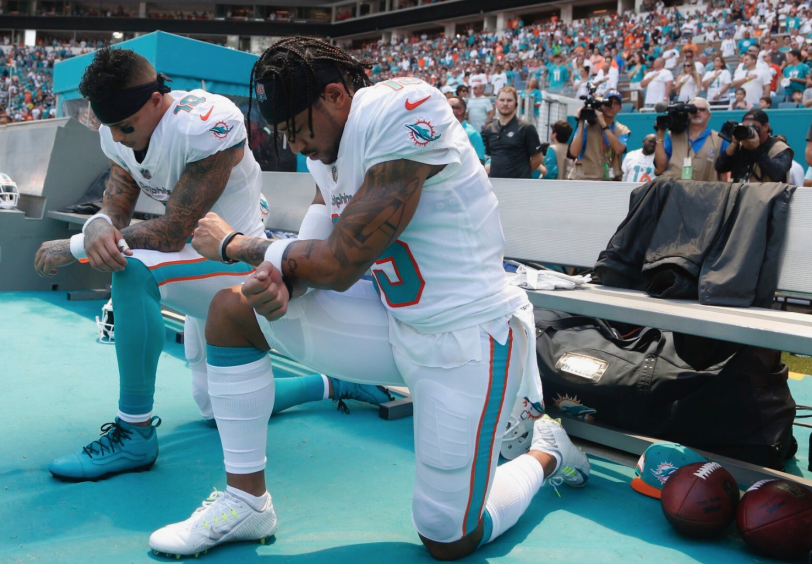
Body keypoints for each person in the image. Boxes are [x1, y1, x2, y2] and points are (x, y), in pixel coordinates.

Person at [150, 35, 590, 561]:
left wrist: (238, 244)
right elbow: (311, 262)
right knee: (232, 309)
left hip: (468, 337)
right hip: (390, 322)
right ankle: (247, 502)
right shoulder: (328, 150)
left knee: (447, 538)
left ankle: (546, 452)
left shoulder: (402, 109)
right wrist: (280, 283)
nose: (294, 146)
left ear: (335, 96)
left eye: (296, 129)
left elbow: (339, 262)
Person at [32, 47, 389, 481]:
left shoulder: (206, 123)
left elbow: (173, 232)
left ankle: (135, 432)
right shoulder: (118, 132)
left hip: (232, 256)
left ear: (156, 101)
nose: (120, 137)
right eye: (112, 128)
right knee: (213, 406)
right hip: (190, 264)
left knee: (134, 268)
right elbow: (120, 194)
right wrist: (100, 223)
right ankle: (334, 383)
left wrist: (76, 246)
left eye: (126, 126)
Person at [653, 97, 726, 181]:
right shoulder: (673, 136)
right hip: (676, 190)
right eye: (693, 109)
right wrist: (660, 135)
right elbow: (661, 167)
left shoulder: (719, 139)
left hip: (706, 191)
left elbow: (724, 172)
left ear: (709, 115)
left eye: (702, 109)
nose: (697, 112)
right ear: (687, 113)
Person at [567, 90, 631, 181]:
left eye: (616, 103)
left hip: (609, 180)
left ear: (620, 108)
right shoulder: (587, 126)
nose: (611, 106)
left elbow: (619, 150)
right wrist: (581, 122)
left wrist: (603, 125)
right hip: (584, 179)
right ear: (602, 105)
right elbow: (574, 152)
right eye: (609, 102)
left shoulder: (622, 129)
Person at [715, 109, 792, 183]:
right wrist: (733, 144)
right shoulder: (742, 146)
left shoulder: (779, 148)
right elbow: (720, 167)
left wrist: (756, 149)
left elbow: (777, 174)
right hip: (741, 195)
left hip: (768, 195)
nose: (749, 130)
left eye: (753, 127)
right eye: (745, 127)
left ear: (766, 127)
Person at [483, 86, 543, 178]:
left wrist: (523, 174)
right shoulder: (490, 129)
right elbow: (492, 157)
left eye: (509, 100)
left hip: (518, 186)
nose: (505, 103)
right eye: (502, 100)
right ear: (496, 103)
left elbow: (538, 158)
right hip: (495, 184)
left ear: (516, 104)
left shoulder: (526, 128)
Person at [449, 97, 486, 162]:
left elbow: (480, 161)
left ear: (460, 111)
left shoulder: (472, 133)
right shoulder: (443, 131)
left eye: (449, 106)